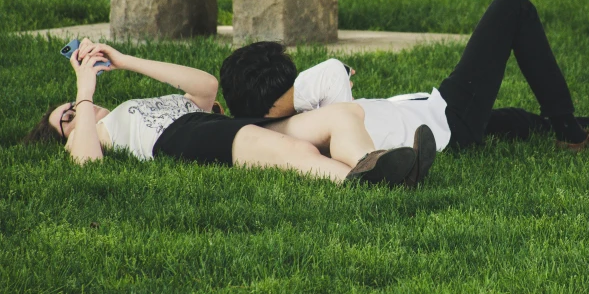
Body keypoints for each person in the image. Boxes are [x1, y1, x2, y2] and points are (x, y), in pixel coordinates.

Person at [219, 0, 589, 157]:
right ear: (271, 102)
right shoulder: (302, 112)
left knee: (517, 121)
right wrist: (307, 90)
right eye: (287, 85)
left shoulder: (274, 126)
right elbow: (333, 71)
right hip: (447, 119)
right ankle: (572, 135)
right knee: (511, 9)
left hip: (433, 117)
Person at [24, 39, 430, 187]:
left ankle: (374, 167)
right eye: (67, 118)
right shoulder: (91, 136)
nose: (78, 113)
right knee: (297, 154)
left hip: (222, 124)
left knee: (341, 116)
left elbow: (205, 87)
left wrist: (124, 60)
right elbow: (88, 166)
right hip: (191, 139)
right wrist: (83, 91)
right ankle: (366, 185)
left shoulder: (128, 110)